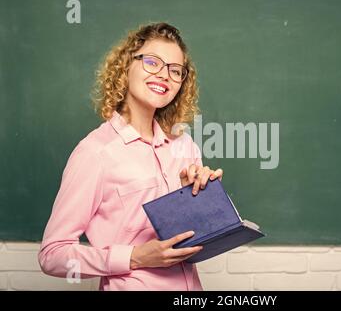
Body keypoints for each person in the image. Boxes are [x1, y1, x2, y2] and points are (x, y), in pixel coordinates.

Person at [38, 22, 223, 291]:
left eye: (175, 71)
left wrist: (199, 199)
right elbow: (52, 255)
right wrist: (134, 257)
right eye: (152, 62)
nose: (164, 75)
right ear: (126, 66)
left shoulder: (185, 146)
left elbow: (191, 239)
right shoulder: (95, 153)